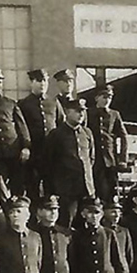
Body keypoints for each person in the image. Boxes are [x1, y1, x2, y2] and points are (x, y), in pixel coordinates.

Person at [43, 97, 96, 228]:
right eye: (77, 111)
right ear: (67, 112)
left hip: (86, 189)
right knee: (66, 225)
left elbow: (91, 158)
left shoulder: (87, 133)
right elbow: (48, 163)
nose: (81, 114)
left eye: (83, 111)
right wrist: (52, 190)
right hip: (66, 191)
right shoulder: (56, 134)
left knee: (86, 226)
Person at [18, 68, 65, 199]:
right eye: (38, 81)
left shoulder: (54, 102)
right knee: (33, 188)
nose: (42, 84)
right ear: (31, 83)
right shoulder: (23, 104)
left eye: (45, 80)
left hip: (52, 152)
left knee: (52, 189)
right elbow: (21, 128)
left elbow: (61, 124)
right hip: (34, 152)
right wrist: (26, 147)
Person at [88, 85, 130, 202]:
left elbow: (123, 136)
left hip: (110, 161)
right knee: (93, 192)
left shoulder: (114, 114)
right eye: (104, 97)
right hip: (93, 159)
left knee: (111, 193)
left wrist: (122, 159)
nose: (107, 100)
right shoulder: (88, 113)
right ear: (97, 98)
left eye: (110, 97)